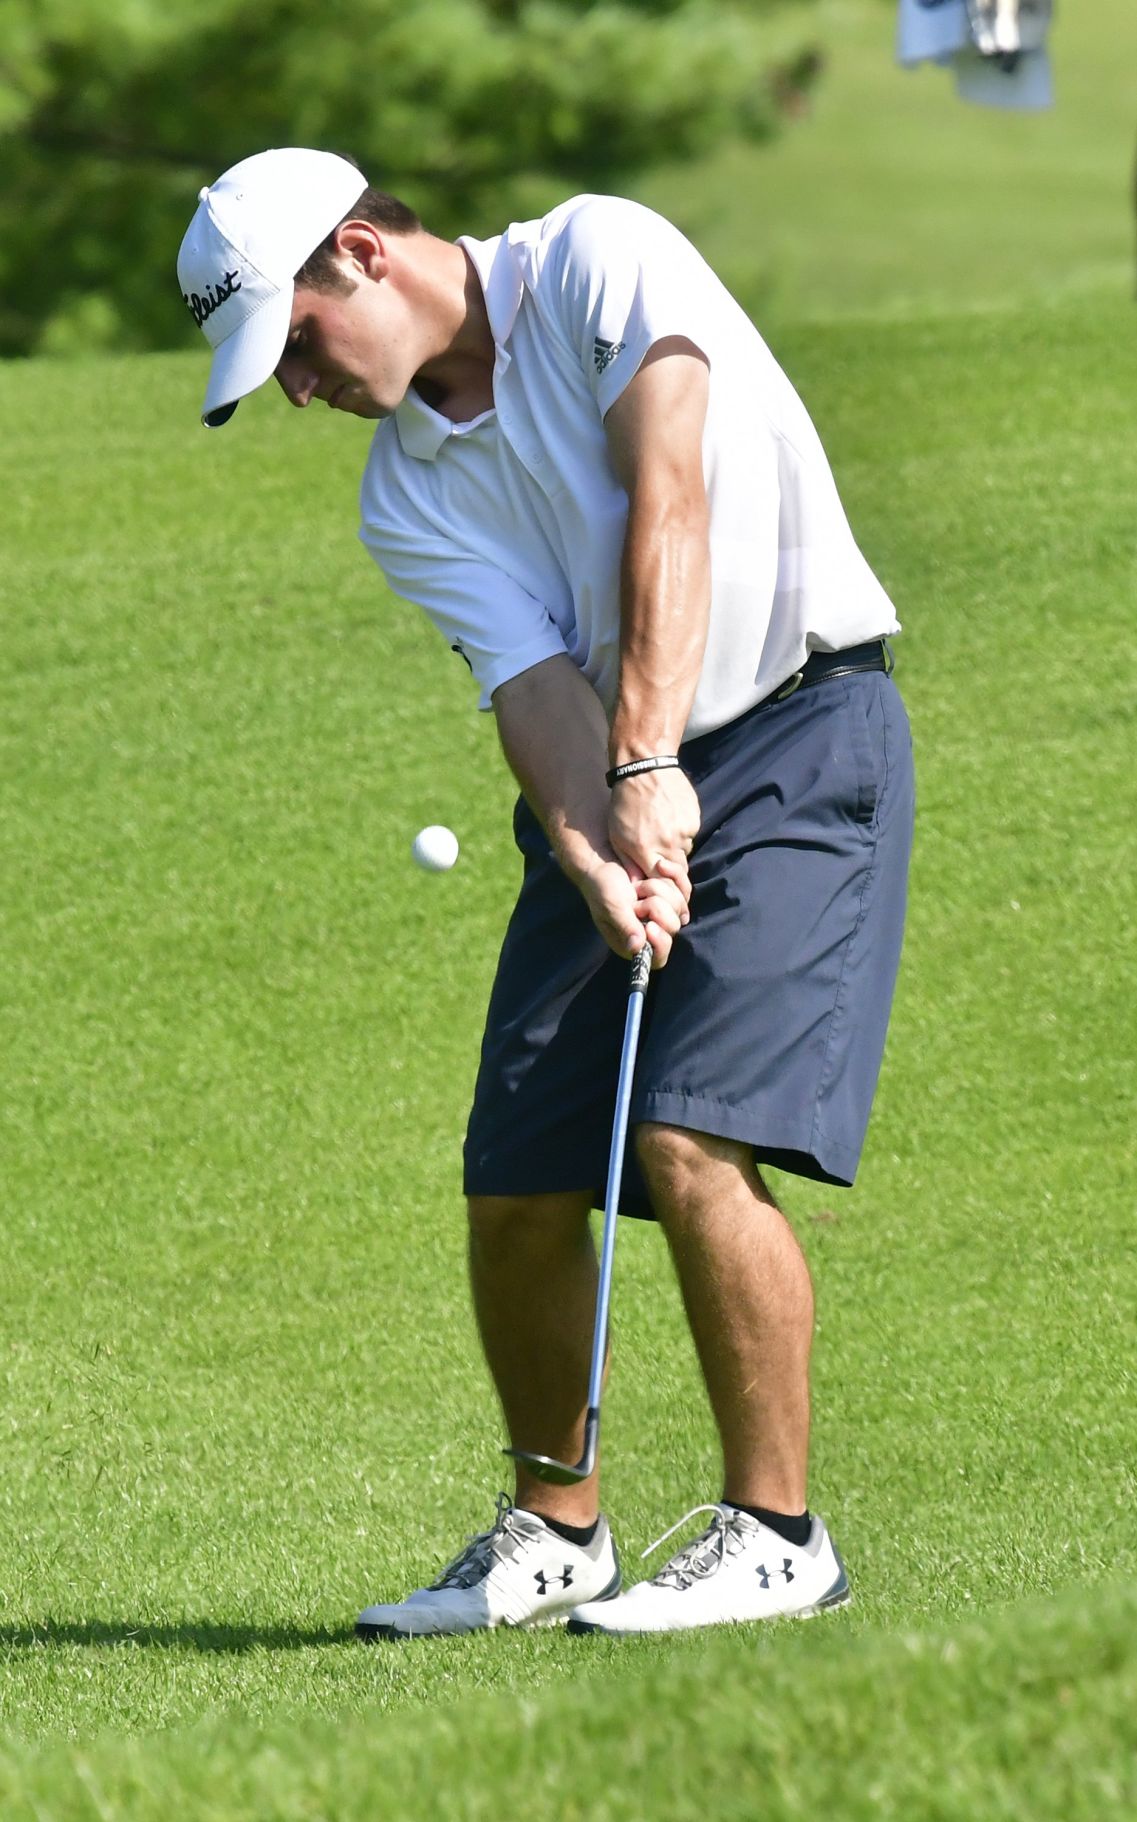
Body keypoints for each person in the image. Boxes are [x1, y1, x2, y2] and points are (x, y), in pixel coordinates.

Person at [177, 147, 915, 1639]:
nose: (301, 395)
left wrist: (648, 763)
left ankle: (778, 1533)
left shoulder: (596, 259)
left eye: (300, 349)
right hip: (608, 770)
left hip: (796, 718)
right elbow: (529, 688)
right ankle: (554, 1527)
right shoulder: (404, 497)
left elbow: (674, 501)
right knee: (516, 1169)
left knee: (690, 1134)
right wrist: (591, 845)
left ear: (363, 256)